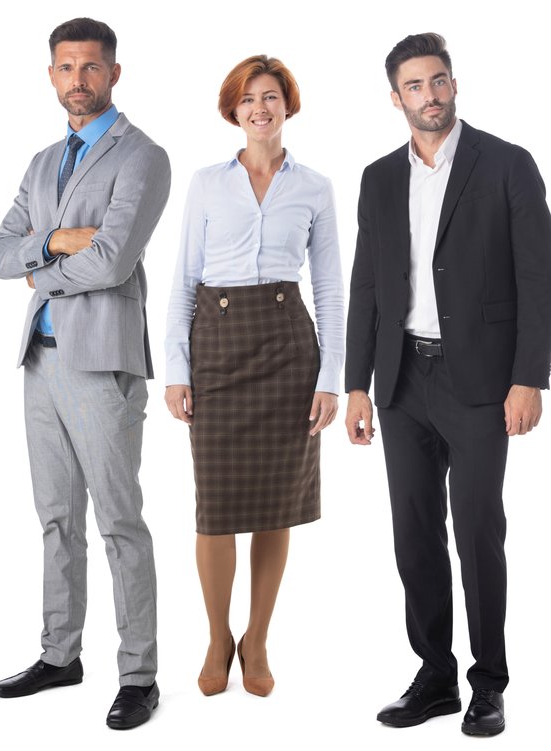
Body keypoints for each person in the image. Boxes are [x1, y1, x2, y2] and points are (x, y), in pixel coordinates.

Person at [346, 32, 548, 737]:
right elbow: (367, 283)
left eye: (438, 82)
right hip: (401, 380)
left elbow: (537, 280)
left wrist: (529, 378)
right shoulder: (378, 177)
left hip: (483, 382)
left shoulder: (507, 164)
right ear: (394, 97)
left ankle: (487, 683)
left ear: (453, 84)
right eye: (414, 86)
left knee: (477, 529)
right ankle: (434, 674)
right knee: (413, 535)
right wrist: (356, 384)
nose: (429, 96)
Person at [0, 18, 172, 730]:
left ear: (113, 74)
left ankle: (139, 673)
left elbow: (116, 261)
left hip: (102, 362)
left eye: (91, 67)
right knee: (56, 519)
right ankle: (60, 653)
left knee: (119, 520)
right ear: (52, 75)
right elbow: (0, 254)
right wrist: (58, 242)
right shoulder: (41, 162)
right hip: (40, 358)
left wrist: (41, 269)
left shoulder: (142, 157)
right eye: (66, 67)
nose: (78, 80)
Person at [160, 55, 343, 699]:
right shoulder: (207, 183)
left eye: (270, 97)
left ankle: (257, 637)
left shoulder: (315, 186)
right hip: (217, 344)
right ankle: (217, 636)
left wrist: (332, 378)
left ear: (287, 105)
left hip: (288, 348)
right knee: (214, 509)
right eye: (248, 100)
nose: (259, 109)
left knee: (276, 506)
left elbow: (328, 287)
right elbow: (183, 280)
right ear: (233, 111)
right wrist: (176, 369)